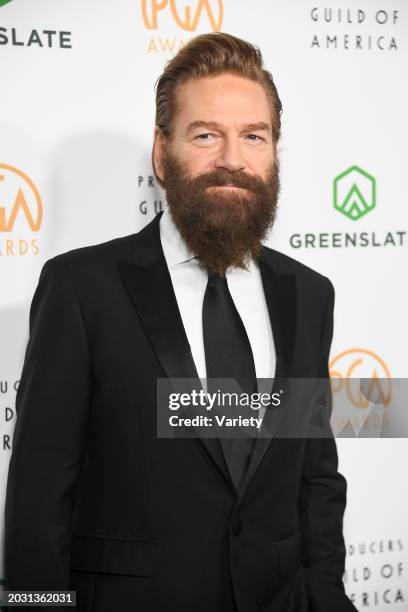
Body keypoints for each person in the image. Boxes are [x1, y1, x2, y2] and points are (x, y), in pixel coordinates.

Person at [4, 32, 357, 612]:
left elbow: (315, 479)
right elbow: (39, 496)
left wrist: (325, 596)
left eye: (254, 136)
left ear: (273, 154)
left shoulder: (310, 295)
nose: (232, 159)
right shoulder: (81, 288)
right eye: (205, 135)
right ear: (161, 153)